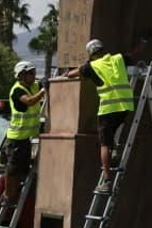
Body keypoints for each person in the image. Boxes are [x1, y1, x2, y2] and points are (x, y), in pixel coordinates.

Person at [62, 37, 146, 193]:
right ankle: (114, 154)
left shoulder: (91, 66)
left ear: (91, 54)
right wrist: (143, 42)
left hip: (108, 108)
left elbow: (70, 75)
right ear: (103, 49)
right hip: (125, 106)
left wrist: (68, 72)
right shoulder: (117, 58)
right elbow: (134, 53)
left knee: (104, 144)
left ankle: (107, 180)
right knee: (113, 132)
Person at [2, 61, 47, 206]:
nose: (34, 76)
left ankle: (16, 193)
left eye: (34, 73)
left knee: (24, 169)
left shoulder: (34, 86)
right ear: (22, 75)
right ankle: (8, 196)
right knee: (13, 169)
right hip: (15, 138)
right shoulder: (17, 90)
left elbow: (44, 84)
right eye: (31, 73)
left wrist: (47, 82)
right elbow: (29, 101)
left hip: (26, 138)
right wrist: (43, 91)